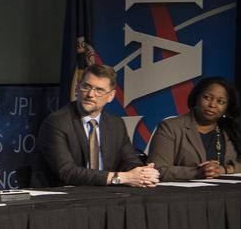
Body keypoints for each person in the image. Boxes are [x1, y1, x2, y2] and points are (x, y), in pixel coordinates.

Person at [31, 63, 160, 188]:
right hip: (63, 197)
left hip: (103, 196)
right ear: (77, 89)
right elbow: (67, 172)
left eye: (99, 90)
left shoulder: (116, 124)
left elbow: (130, 160)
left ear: (110, 96)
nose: (91, 95)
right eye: (86, 87)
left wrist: (143, 173)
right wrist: (120, 178)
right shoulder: (56, 122)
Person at [146, 76, 241, 180]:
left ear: (227, 107)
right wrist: (197, 172)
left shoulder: (235, 128)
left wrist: (224, 169)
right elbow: (157, 170)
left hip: (228, 195)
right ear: (196, 97)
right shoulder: (170, 127)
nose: (212, 105)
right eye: (207, 97)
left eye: (221, 102)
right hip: (187, 197)